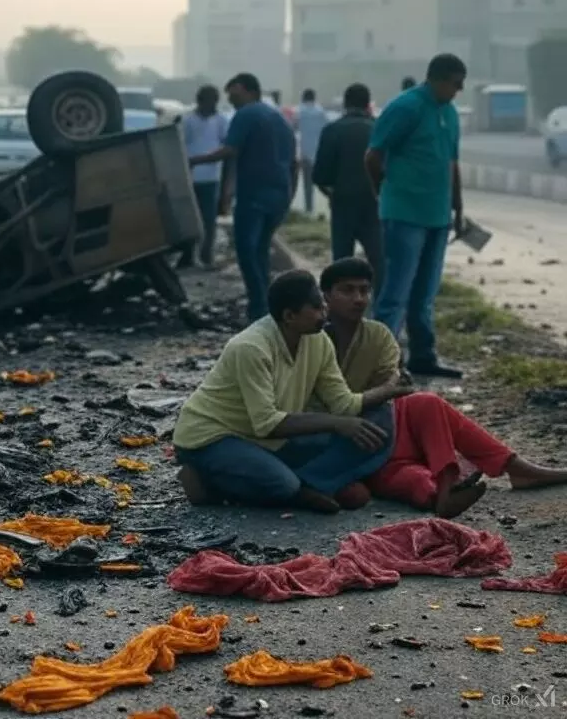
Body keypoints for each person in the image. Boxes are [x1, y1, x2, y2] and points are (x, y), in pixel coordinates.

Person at [319, 257, 567, 517]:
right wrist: (383, 393)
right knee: (413, 481)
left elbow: (395, 388)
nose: (358, 299)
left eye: (364, 291)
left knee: (427, 402)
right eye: (347, 290)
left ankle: (503, 471)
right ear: (326, 296)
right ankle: (444, 491)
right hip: (355, 444)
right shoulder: (315, 340)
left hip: (386, 423)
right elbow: (363, 396)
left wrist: (386, 392)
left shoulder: (378, 334)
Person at [172, 269, 413, 514]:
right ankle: (208, 480)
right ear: (289, 316)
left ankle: (305, 484)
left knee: (379, 424)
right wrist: (337, 423)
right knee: (282, 483)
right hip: (214, 437)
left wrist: (389, 389)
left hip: (268, 440)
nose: (325, 312)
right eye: (317, 308)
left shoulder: (318, 340)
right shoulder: (250, 347)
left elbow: (344, 403)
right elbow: (266, 424)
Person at [365, 54, 467, 379]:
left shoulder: (450, 113)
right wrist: (384, 193)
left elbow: (452, 163)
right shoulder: (406, 107)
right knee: (396, 293)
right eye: (456, 83)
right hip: (405, 214)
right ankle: (378, 363)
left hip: (438, 215)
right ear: (437, 78)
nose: (459, 90)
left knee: (424, 294)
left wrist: (458, 208)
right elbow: (373, 155)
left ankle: (423, 356)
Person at [189, 73, 298, 322]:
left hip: (254, 195)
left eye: (233, 93)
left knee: (247, 251)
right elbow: (294, 163)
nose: (230, 99)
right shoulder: (279, 118)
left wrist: (194, 160)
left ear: (246, 89)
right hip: (278, 195)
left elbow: (230, 150)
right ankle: (269, 306)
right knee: (260, 250)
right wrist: (289, 194)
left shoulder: (246, 114)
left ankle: (259, 307)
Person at [312, 83, 383, 291]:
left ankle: (344, 301)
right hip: (375, 204)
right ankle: (380, 304)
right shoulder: (379, 129)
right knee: (379, 260)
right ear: (368, 104)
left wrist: (332, 195)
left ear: (345, 104)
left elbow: (319, 176)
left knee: (342, 263)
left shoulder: (332, 130)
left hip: (343, 203)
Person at [177, 85, 231, 270]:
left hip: (211, 178)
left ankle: (206, 257)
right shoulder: (187, 120)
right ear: (200, 102)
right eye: (209, 102)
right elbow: (180, 145)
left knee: (209, 220)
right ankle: (187, 256)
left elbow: (226, 147)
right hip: (189, 178)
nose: (212, 106)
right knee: (189, 219)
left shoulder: (220, 121)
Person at [295, 88, 328, 215]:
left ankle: (309, 208)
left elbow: (294, 129)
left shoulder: (299, 112)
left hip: (304, 152)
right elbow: (326, 129)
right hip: (318, 152)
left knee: (307, 183)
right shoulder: (321, 112)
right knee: (323, 182)